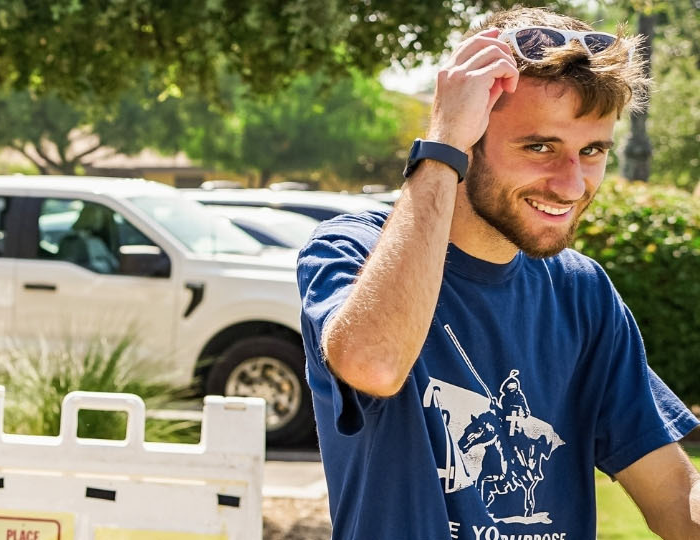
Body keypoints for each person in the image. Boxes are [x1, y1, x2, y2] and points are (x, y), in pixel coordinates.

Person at [298, 8, 700, 538]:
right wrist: (441, 147)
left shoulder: (582, 292)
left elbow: (673, 494)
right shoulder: (355, 252)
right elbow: (375, 365)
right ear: (468, 136)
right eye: (539, 147)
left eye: (592, 151)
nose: (572, 185)